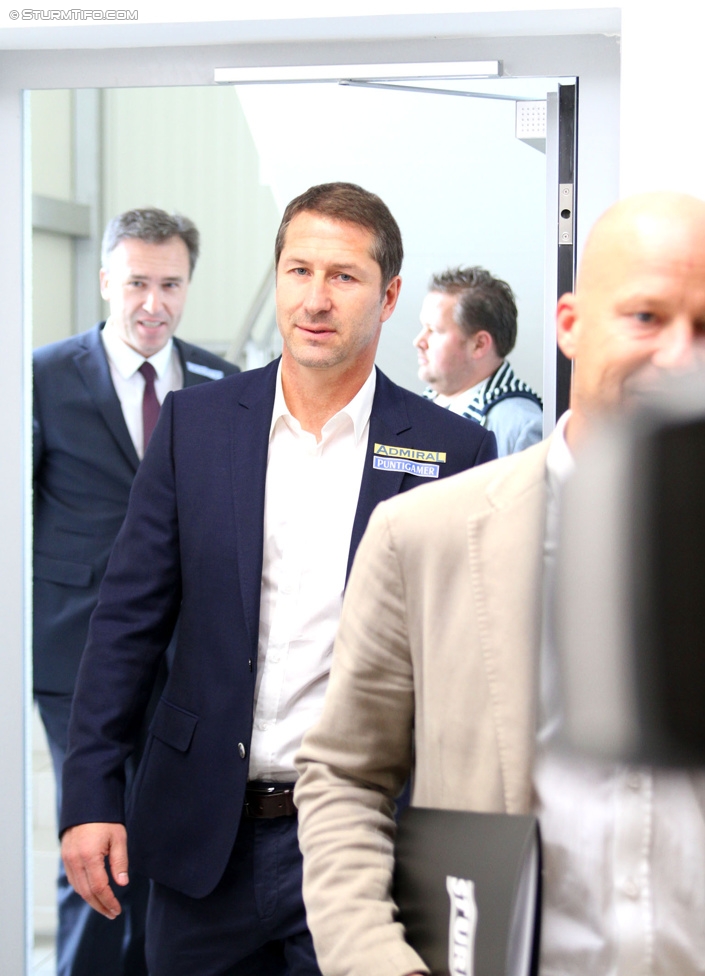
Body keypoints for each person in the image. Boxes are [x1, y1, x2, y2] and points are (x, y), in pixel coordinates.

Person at [58, 182, 497, 976]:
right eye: (298, 271)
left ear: (389, 295)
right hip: (203, 836)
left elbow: (472, 668)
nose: (315, 299)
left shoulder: (450, 452)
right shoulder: (198, 426)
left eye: (343, 276)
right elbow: (127, 620)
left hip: (361, 845)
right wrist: (89, 794)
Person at [294, 192, 705, 976]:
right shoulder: (426, 536)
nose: (680, 358)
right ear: (571, 325)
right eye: (646, 318)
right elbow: (344, 775)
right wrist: (376, 961)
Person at [33, 207, 238, 976]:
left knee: (164, 836)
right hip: (74, 652)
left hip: (189, 659)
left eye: (171, 284)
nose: (154, 303)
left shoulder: (220, 380)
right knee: (90, 835)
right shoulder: (43, 376)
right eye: (138, 283)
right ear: (105, 282)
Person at [414, 266, 543, 456]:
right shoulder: (413, 412)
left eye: (433, 330)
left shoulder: (522, 428)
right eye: (423, 327)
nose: (418, 341)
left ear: (479, 345)